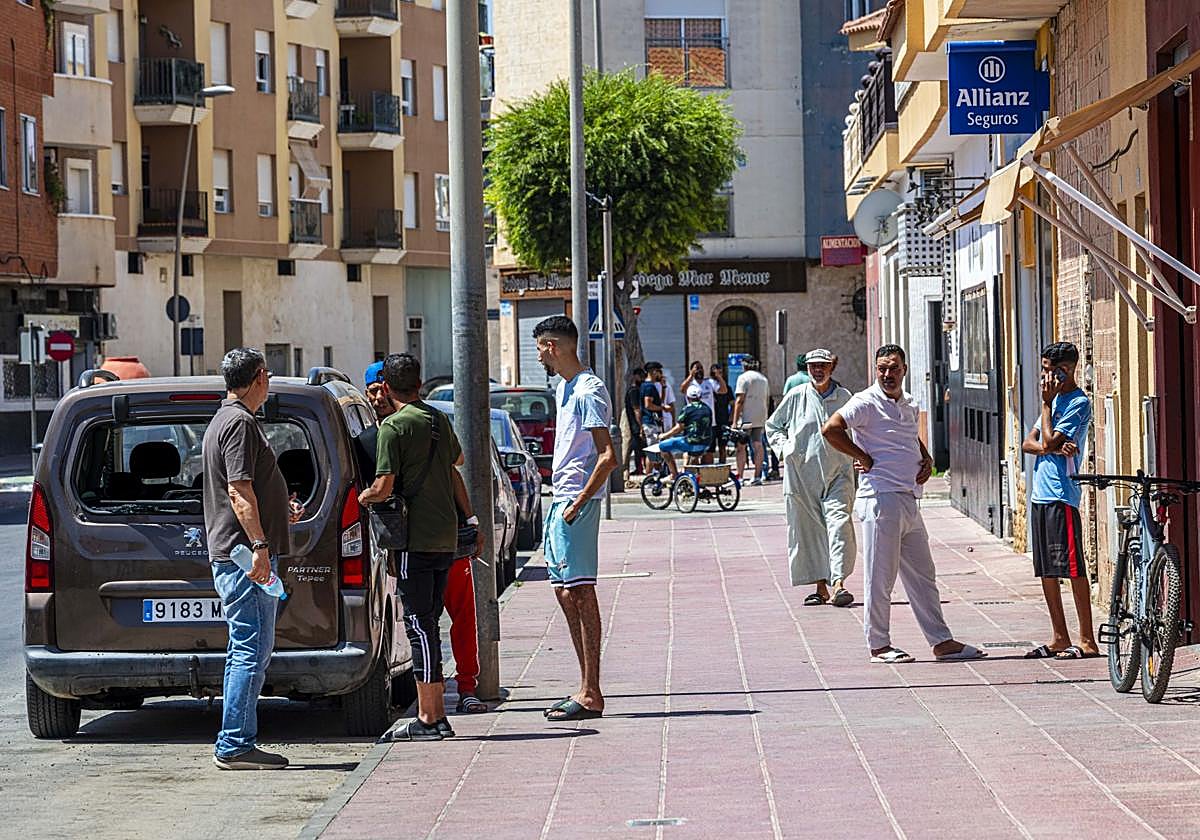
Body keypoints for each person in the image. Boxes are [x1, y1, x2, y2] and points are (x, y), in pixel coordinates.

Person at [822, 344, 985, 664]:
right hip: (880, 499)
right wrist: (862, 456)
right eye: (882, 368)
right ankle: (879, 645)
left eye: (894, 368)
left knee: (924, 575)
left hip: (909, 498)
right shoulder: (865, 402)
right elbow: (831, 429)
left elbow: (909, 435)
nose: (888, 374)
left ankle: (941, 641)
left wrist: (926, 458)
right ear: (875, 370)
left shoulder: (909, 403)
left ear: (904, 370)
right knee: (879, 578)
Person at [359, 353, 473, 740]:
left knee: (419, 626)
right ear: (420, 384)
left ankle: (428, 718)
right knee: (430, 624)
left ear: (387, 388)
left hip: (414, 541)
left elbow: (383, 486)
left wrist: (363, 497)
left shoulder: (393, 427)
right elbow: (458, 459)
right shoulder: (437, 419)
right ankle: (436, 715)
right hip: (444, 539)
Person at [204, 348, 303, 770]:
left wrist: (281, 509)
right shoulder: (239, 422)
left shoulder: (227, 419)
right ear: (260, 376)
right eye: (269, 377)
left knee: (245, 648)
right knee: (251, 649)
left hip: (241, 552)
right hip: (245, 557)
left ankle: (235, 740)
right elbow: (238, 489)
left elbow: (249, 489)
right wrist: (261, 546)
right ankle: (235, 744)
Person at [533, 316, 617, 721]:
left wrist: (579, 502)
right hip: (560, 499)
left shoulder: (588, 390)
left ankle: (591, 692)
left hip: (574, 502)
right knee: (564, 591)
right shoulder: (564, 388)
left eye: (539, 348)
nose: (538, 357)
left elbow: (607, 456)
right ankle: (584, 686)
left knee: (581, 591)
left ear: (553, 346)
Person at [1021, 342, 1098, 660]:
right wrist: (1048, 446)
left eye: (1052, 371)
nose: (1046, 377)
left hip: (1061, 493)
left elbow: (1050, 438)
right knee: (1047, 570)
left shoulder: (1077, 402)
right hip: (1040, 492)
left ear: (1067, 369)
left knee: (1073, 567)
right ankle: (1059, 636)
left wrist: (1046, 406)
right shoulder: (1053, 402)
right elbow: (1029, 443)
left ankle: (1087, 639)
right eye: (1044, 370)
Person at [766, 349, 856, 608]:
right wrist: (785, 449)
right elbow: (773, 426)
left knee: (839, 524)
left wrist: (861, 455)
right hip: (802, 476)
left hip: (838, 473)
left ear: (832, 367)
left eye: (823, 365)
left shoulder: (845, 398)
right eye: (813, 366)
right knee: (810, 531)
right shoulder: (797, 396)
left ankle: (838, 583)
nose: (818, 370)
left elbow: (860, 429)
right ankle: (820, 587)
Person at [656, 383, 714, 478]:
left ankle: (674, 474)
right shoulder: (707, 409)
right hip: (706, 443)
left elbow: (679, 428)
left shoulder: (687, 409)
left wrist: (664, 435)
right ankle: (692, 476)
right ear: (700, 396)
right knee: (693, 455)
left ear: (687, 397)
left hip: (691, 442)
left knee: (663, 446)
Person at [732, 357, 770, 485]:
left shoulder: (743, 378)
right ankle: (757, 476)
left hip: (746, 419)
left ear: (744, 366)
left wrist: (734, 421)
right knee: (758, 445)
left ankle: (740, 477)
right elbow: (767, 399)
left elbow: (740, 400)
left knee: (741, 446)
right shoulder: (763, 379)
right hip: (760, 418)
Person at [683, 360, 726, 464]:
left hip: (710, 423)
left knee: (709, 451)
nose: (699, 370)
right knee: (694, 452)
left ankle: (707, 472)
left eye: (701, 368)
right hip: (694, 423)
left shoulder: (709, 382)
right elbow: (682, 389)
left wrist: (719, 376)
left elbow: (723, 390)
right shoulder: (690, 384)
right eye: (697, 368)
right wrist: (690, 376)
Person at [623, 367, 647, 477]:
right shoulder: (634, 391)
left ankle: (639, 469)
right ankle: (638, 469)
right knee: (638, 448)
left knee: (639, 448)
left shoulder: (638, 390)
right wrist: (641, 426)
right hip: (634, 425)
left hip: (635, 425)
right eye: (640, 376)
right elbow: (636, 409)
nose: (642, 379)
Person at [710, 363, 732, 460]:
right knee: (710, 449)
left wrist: (731, 418)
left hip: (723, 420)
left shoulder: (727, 387)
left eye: (720, 373)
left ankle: (722, 465)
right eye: (715, 373)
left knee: (722, 447)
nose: (717, 375)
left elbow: (732, 403)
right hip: (711, 421)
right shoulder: (708, 386)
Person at [641, 362, 666, 441]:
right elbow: (648, 405)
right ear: (654, 372)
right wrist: (662, 408)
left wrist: (663, 387)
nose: (661, 375)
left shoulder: (646, 385)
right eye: (659, 372)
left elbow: (658, 401)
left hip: (653, 423)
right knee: (654, 446)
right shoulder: (649, 386)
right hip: (651, 423)